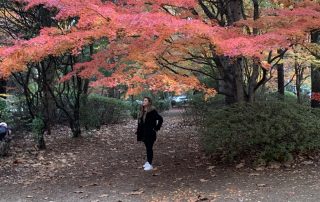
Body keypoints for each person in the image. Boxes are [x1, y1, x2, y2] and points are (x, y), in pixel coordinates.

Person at [136, 97, 163, 171]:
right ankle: (148, 161)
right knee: (147, 147)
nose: (143, 102)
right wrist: (138, 131)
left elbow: (160, 119)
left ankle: (150, 163)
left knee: (149, 148)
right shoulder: (142, 110)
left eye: (145, 100)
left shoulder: (152, 111)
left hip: (150, 133)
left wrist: (156, 128)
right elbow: (141, 123)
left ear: (149, 102)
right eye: (143, 100)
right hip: (143, 133)